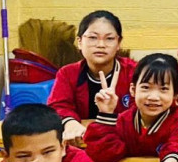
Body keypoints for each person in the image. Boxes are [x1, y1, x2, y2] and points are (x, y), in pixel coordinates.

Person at [82, 53, 178, 162]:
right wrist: (105, 114)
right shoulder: (124, 120)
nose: (153, 97)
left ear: (175, 95)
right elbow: (101, 155)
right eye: (146, 87)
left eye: (163, 89)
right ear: (133, 90)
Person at [47, 9, 136, 143]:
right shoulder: (67, 73)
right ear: (80, 42)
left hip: (124, 142)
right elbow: (58, 106)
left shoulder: (135, 72)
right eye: (93, 38)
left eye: (109, 39)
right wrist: (70, 122)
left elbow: (143, 112)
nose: (100, 45)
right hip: (80, 143)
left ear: (118, 43)